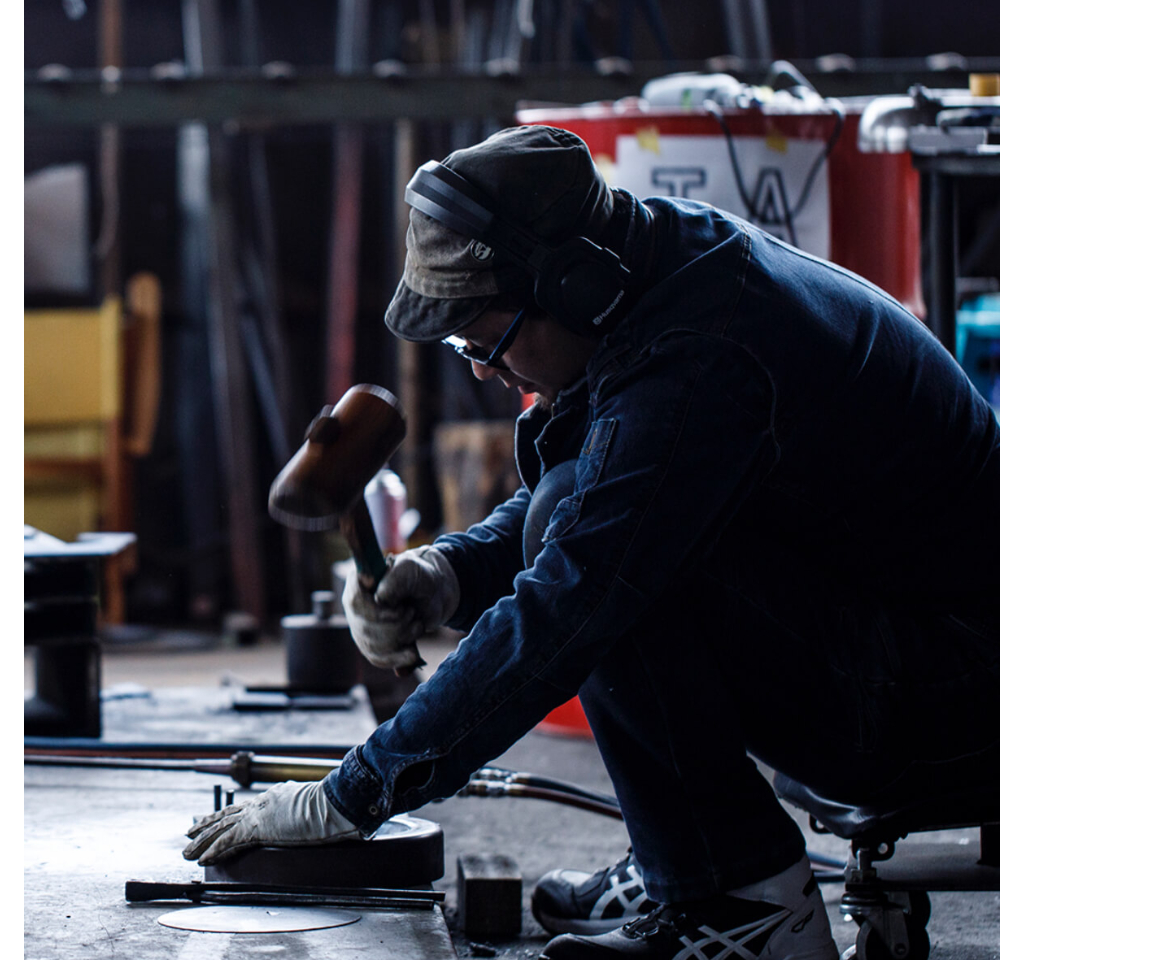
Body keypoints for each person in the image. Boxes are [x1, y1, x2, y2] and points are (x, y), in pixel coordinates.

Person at [183, 125, 999, 960]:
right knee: (582, 521)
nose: (480, 371)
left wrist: (354, 793)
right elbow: (590, 483)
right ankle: (683, 856)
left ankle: (742, 903)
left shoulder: (700, 357)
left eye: (486, 341)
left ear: (573, 285)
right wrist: (443, 573)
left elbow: (574, 592)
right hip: (904, 644)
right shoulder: (653, 270)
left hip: (949, 701)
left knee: (606, 583)